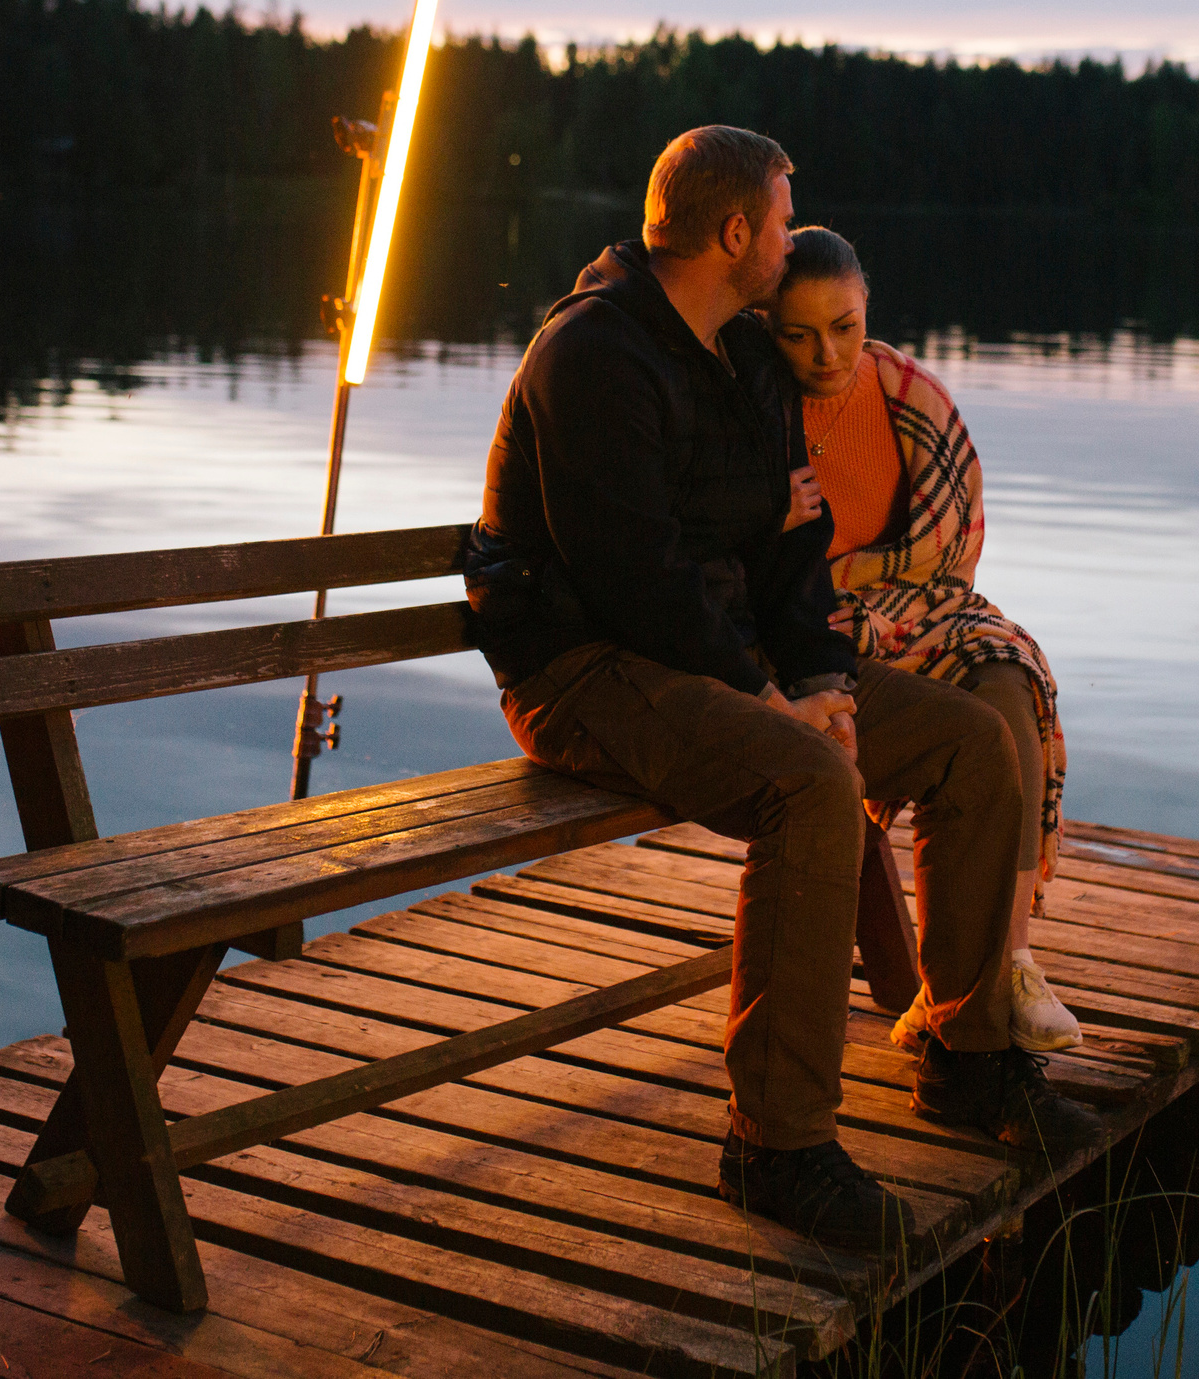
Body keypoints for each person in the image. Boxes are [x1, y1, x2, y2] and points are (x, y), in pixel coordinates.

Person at [464, 126, 1103, 1255]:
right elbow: (632, 576)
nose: (791, 233)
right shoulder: (592, 354)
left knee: (968, 740)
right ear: (734, 233)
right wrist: (768, 700)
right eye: (781, 215)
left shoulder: (746, 358)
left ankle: (965, 1057)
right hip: (584, 670)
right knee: (809, 784)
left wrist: (818, 678)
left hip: (722, 659)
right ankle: (777, 1147)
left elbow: (791, 552)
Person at [767, 227, 1082, 1057]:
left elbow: (946, 563)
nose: (828, 354)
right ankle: (959, 1004)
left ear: (867, 308)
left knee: (1005, 673)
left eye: (845, 326)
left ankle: (1013, 959)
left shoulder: (910, 396)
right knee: (967, 738)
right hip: (809, 633)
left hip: (909, 615)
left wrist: (888, 612)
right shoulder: (755, 411)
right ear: (768, 328)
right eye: (799, 334)